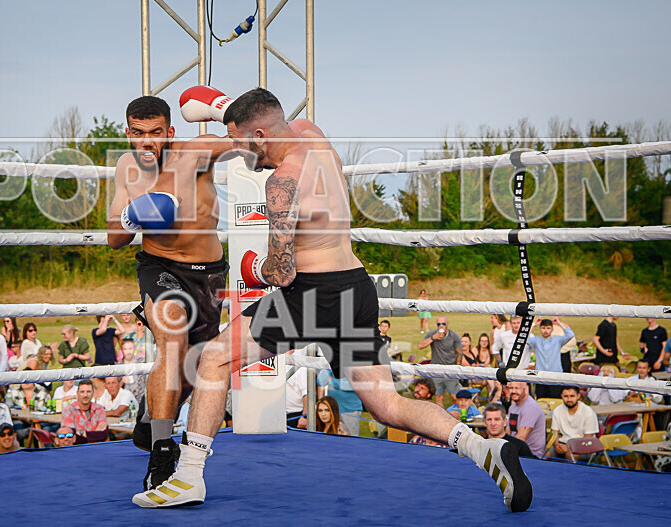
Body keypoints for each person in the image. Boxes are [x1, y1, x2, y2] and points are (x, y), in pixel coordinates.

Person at [132, 87, 532, 513]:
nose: (240, 154)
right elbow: (272, 121)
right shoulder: (312, 135)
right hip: (355, 288)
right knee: (385, 404)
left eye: (243, 143)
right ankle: (482, 449)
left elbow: (282, 273)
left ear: (263, 135)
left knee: (212, 359)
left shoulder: (282, 184)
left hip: (313, 294)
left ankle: (188, 477)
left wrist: (251, 267)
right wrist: (223, 110)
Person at [106, 94, 234, 489]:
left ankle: (151, 416)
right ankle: (163, 453)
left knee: (197, 366)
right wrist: (132, 216)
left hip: (208, 272)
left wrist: (221, 109)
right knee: (172, 337)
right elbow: (114, 238)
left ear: (170, 132)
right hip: (159, 266)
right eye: (139, 133)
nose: (147, 142)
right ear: (128, 133)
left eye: (156, 133)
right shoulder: (127, 168)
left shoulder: (196, 151)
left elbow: (247, 137)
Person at [418, 316, 462, 405]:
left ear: (447, 325)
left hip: (451, 370)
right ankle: (441, 416)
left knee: (454, 396)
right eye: (439, 324)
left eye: (443, 324)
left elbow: (459, 352)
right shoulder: (432, 334)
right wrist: (433, 338)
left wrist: (458, 365)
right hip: (436, 370)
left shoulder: (454, 336)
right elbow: (420, 346)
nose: (441, 326)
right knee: (438, 396)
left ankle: (453, 414)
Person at [526, 318, 575, 399]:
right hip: (540, 376)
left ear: (552, 329)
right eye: (543, 328)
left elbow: (570, 335)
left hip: (555, 376)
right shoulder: (536, 341)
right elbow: (524, 338)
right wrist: (533, 324)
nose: (546, 331)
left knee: (555, 398)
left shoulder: (557, 340)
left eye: (548, 328)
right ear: (540, 329)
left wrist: (559, 323)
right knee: (541, 399)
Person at [550, 386, 598, 460]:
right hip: (563, 443)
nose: (569, 399)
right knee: (545, 453)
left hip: (584, 446)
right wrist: (556, 446)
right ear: (561, 396)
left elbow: (588, 438)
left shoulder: (588, 412)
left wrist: (569, 448)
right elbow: (554, 432)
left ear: (578, 396)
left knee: (570, 456)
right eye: (566, 396)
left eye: (572, 396)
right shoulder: (557, 410)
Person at [506, 382, 546, 458]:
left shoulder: (531, 407)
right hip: (515, 449)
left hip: (531, 454)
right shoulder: (512, 407)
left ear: (526, 389)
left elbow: (521, 438)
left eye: (517, 388)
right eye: (511, 388)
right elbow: (507, 433)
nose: (513, 391)